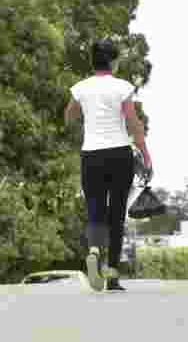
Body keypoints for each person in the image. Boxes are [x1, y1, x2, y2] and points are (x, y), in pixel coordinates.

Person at [65, 39, 152, 292]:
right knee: (116, 214)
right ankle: (112, 275)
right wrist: (145, 153)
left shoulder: (80, 88)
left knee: (94, 209)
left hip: (91, 155)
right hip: (119, 155)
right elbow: (134, 123)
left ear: (93, 62)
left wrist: (84, 120)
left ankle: (93, 250)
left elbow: (68, 117)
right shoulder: (122, 87)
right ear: (113, 62)